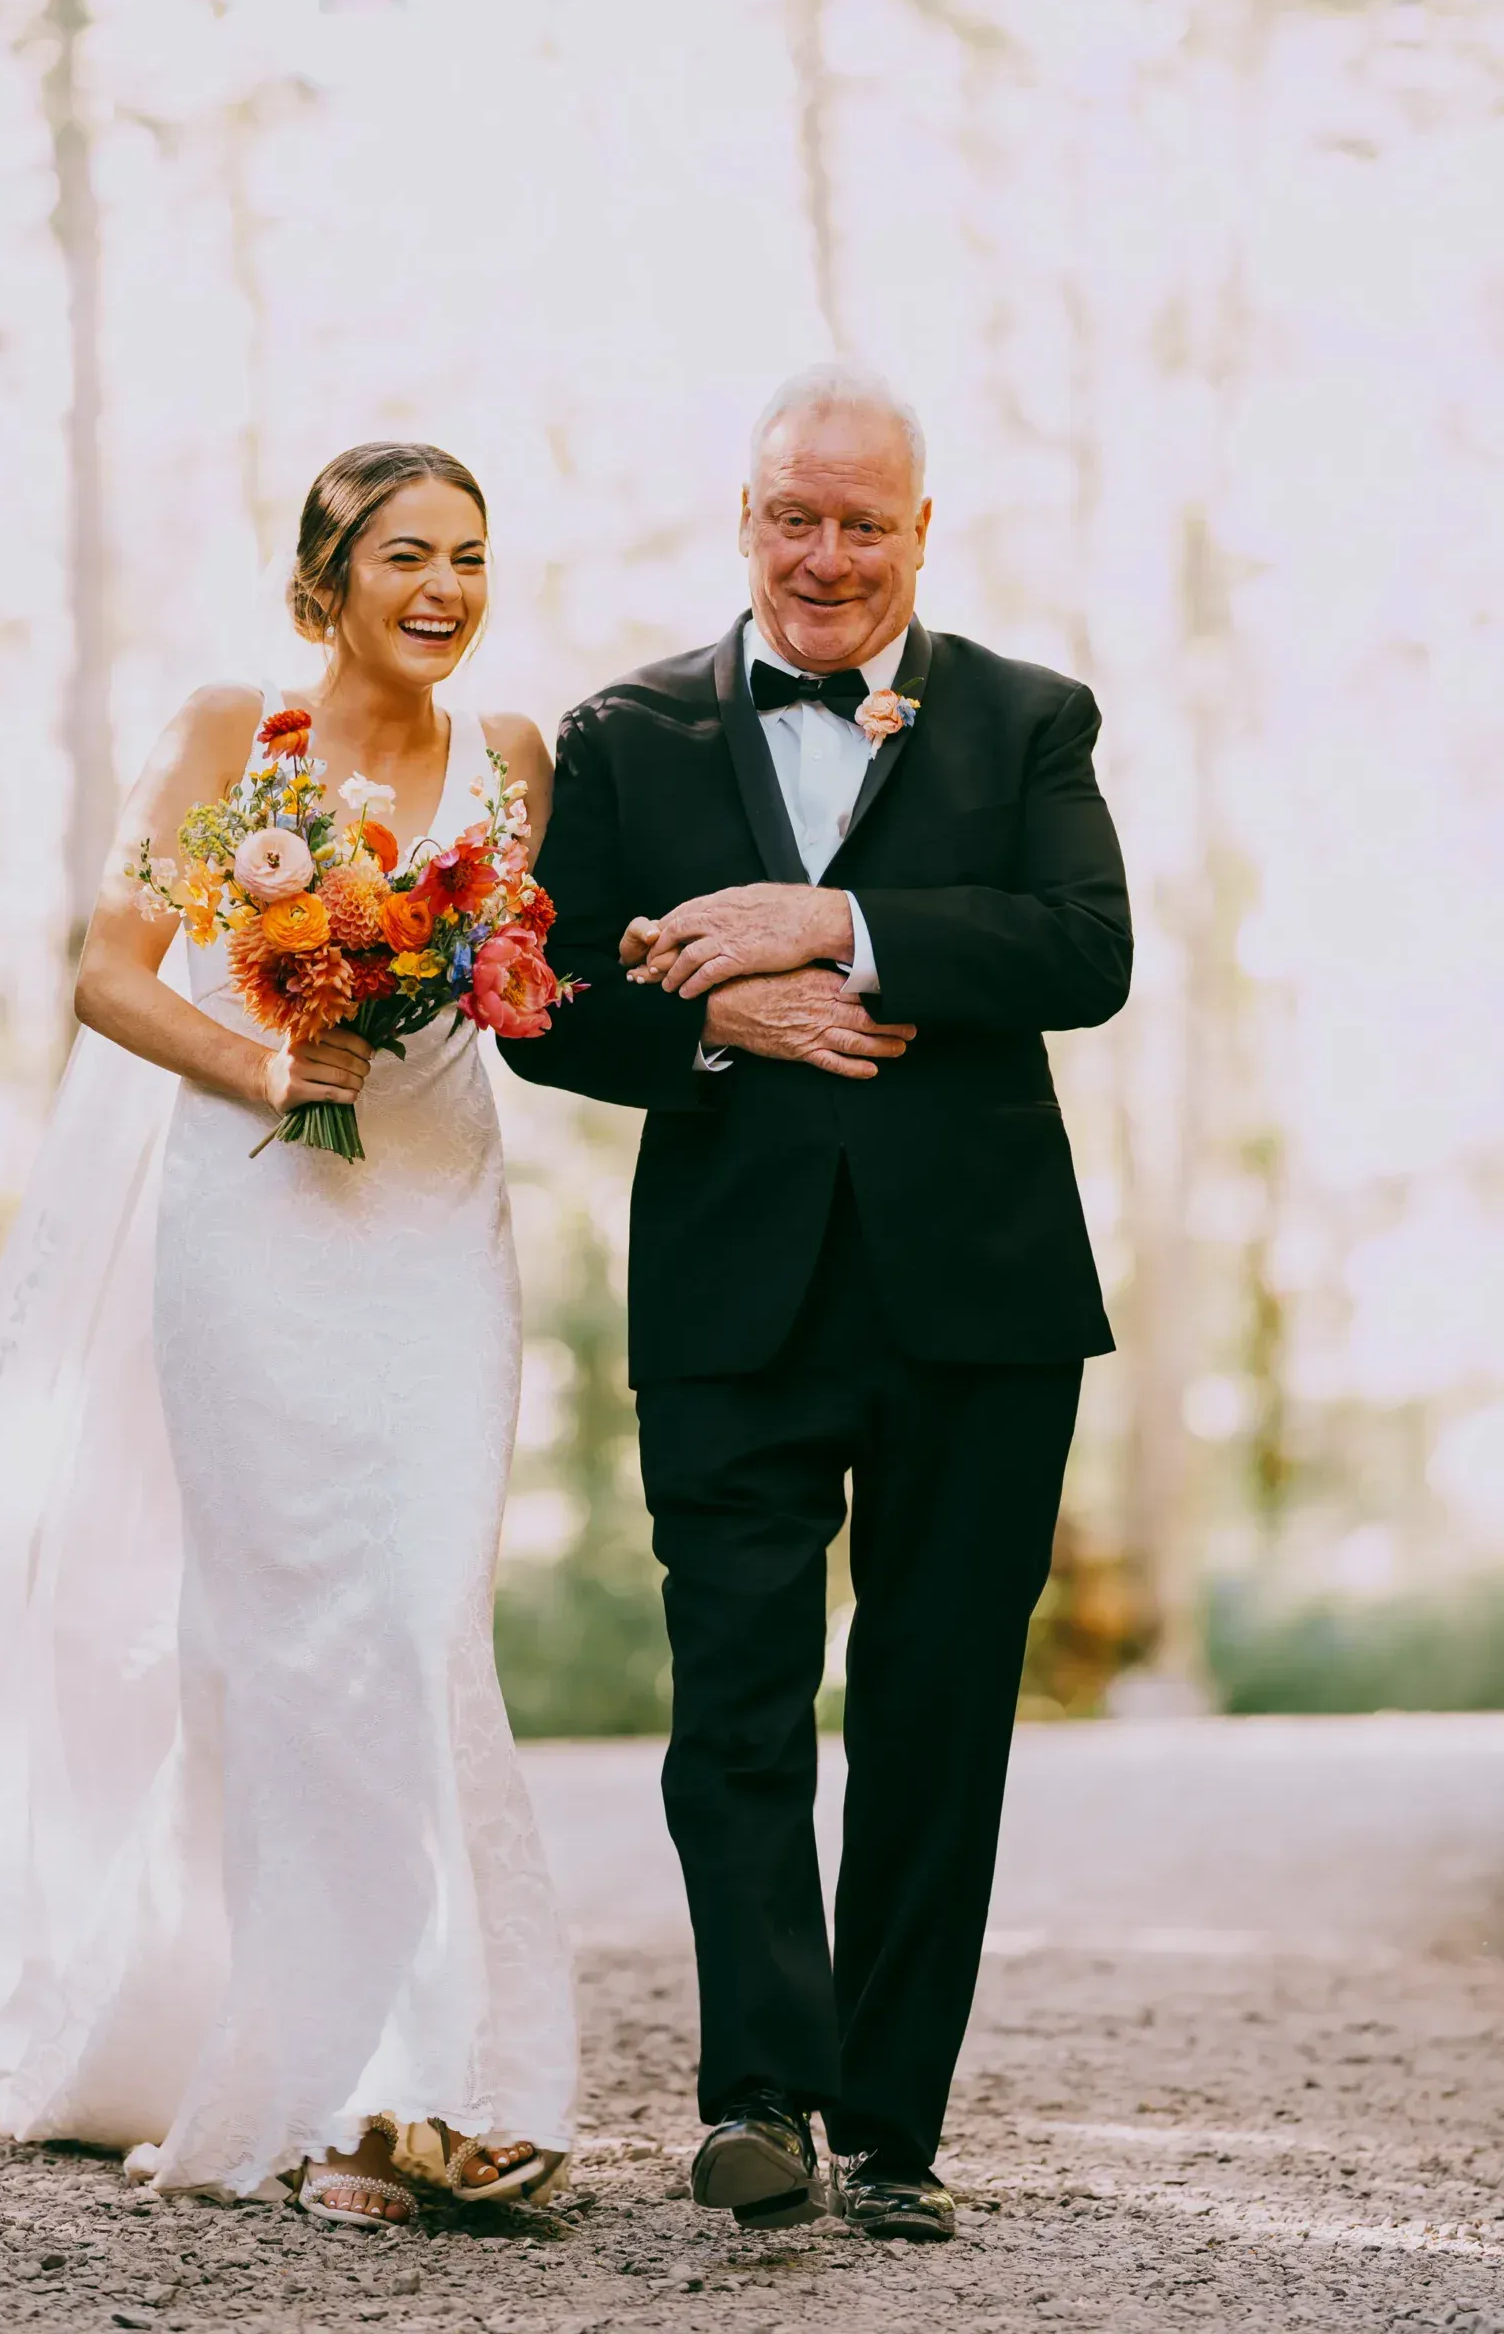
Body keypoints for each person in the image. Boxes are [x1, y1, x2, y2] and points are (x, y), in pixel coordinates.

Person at [0, 442, 577, 2227]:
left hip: (438, 1227)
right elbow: (110, 968)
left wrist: (515, 978)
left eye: (470, 556)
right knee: (278, 1642)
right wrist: (264, 1062)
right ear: (327, 579)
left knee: (423, 1614)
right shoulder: (232, 733)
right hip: (256, 1222)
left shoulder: (515, 757)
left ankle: (442, 2077)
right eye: (406, 555)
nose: (446, 589)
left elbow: (515, 976)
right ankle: (339, 2086)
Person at [501, 364, 1132, 2240]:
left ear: (922, 530)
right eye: (797, 516)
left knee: (940, 1711)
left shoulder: (1028, 715)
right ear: (745, 517)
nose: (829, 555)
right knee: (738, 1709)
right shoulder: (623, 734)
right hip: (734, 1303)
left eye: (866, 522)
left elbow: (1086, 950)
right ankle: (760, 2099)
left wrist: (831, 926)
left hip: (983, 1305)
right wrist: (715, 1021)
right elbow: (539, 1005)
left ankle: (897, 2130)